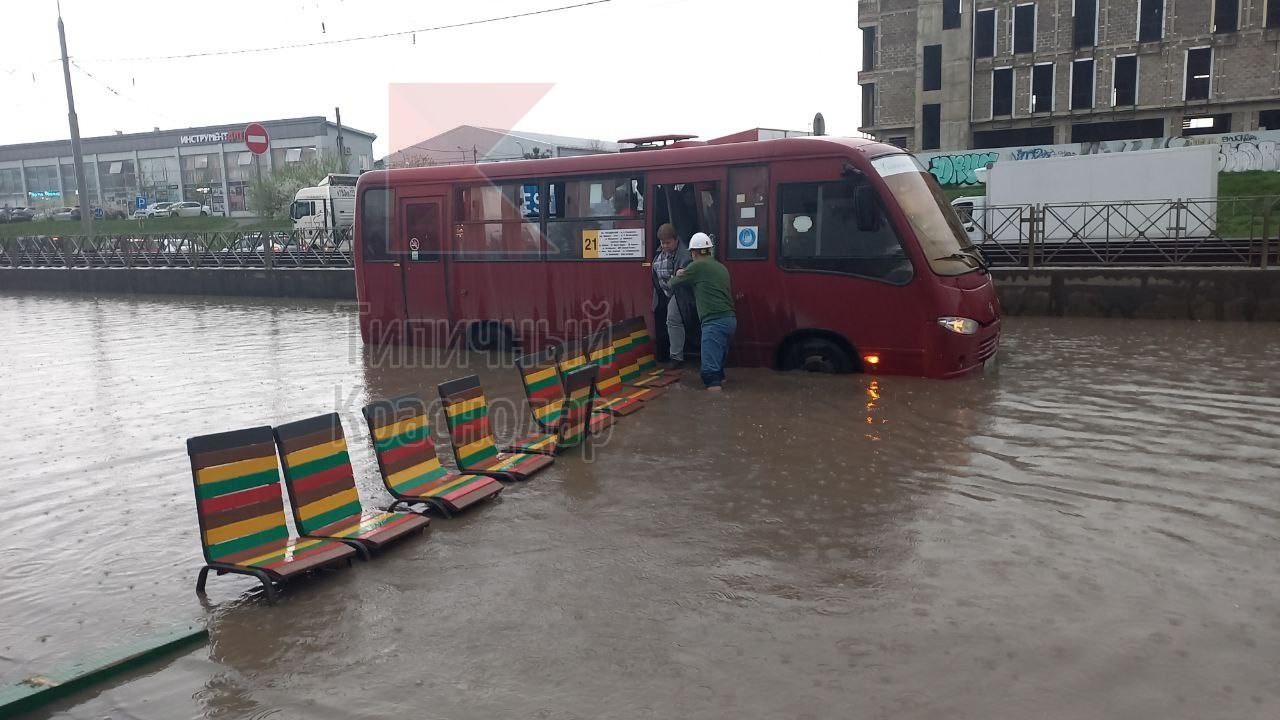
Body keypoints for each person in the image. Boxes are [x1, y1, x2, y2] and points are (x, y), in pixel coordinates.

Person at [669, 232, 736, 391]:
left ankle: (714, 404)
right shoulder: (721, 267)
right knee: (719, 371)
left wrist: (678, 274)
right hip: (730, 320)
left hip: (713, 323)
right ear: (709, 250)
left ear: (694, 252)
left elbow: (672, 284)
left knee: (710, 375)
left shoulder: (697, 266)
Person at [651, 223, 691, 368]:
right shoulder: (659, 252)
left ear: (676, 240)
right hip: (662, 292)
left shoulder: (685, 255)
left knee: (672, 318)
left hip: (679, 292)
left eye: (668, 243)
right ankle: (662, 353)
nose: (665, 246)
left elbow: (682, 280)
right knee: (660, 318)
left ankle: (676, 357)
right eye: (662, 243)